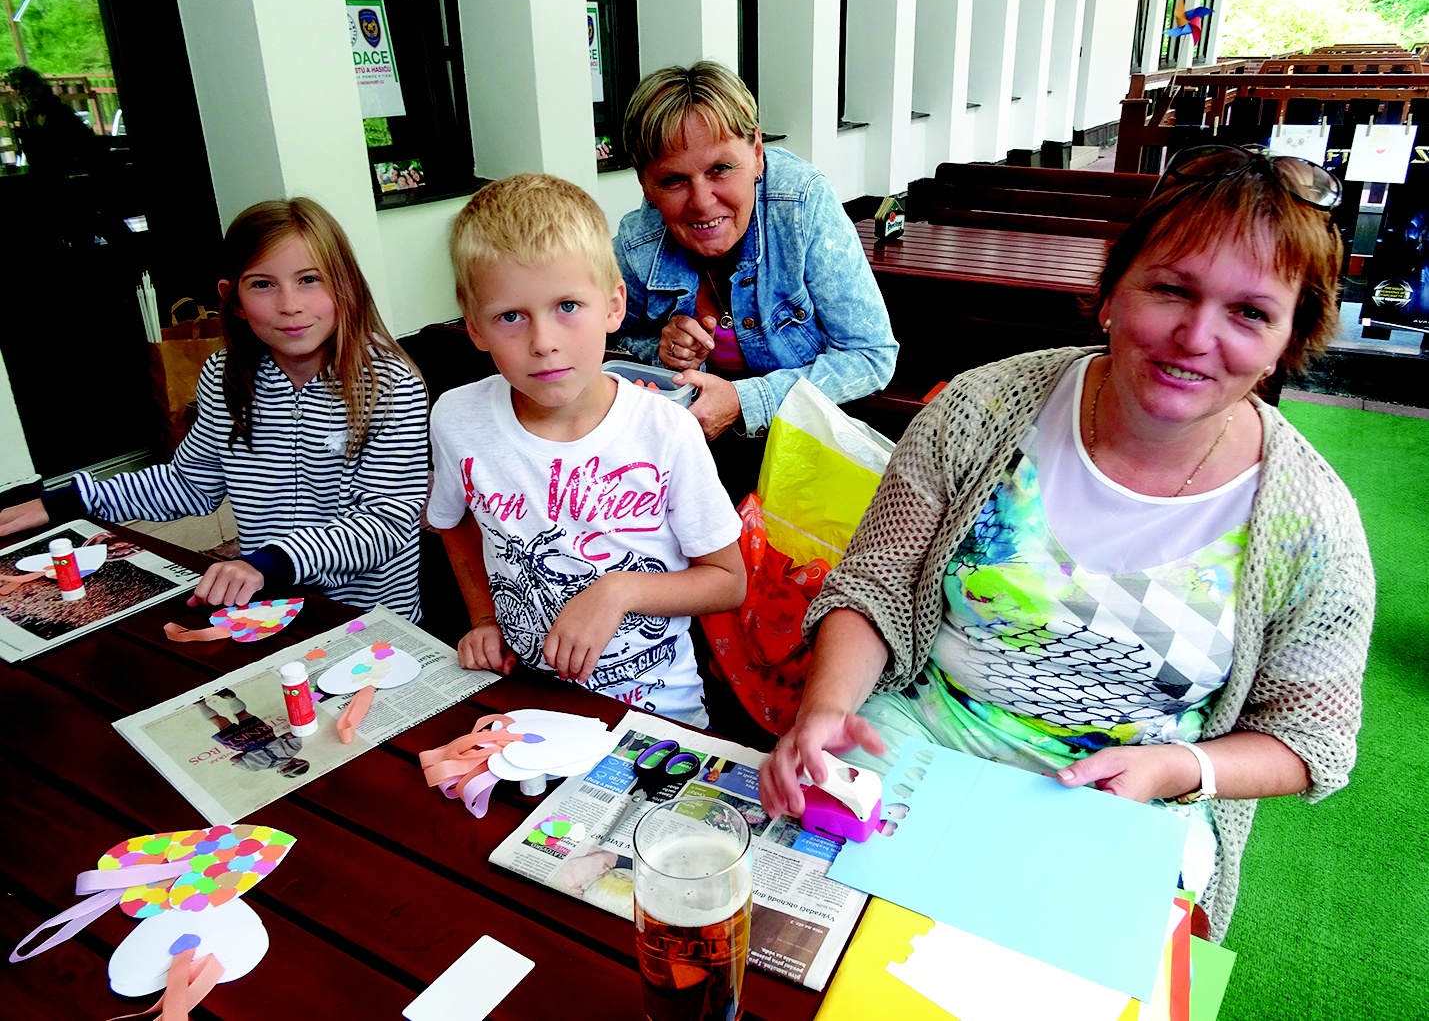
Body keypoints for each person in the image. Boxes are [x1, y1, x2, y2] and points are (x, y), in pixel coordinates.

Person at [758, 144, 1374, 941]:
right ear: (1111, 291)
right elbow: (876, 585)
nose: (1195, 336)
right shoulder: (982, 410)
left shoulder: (1311, 523)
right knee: (791, 945)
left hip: (1133, 800)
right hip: (919, 741)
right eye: (1171, 289)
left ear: (1288, 341)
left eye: (1250, 313)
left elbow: (1309, 737)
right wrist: (827, 709)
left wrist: (1178, 769)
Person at [0, 198, 428, 619]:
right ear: (234, 300)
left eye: (310, 279)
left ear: (347, 287)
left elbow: (384, 523)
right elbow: (190, 483)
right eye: (262, 285)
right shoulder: (225, 375)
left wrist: (268, 563)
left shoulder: (390, 385)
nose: (290, 305)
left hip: (367, 616)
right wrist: (66, 500)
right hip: (268, 607)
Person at [429, 173, 746, 727]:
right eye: (510, 316)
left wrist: (617, 591)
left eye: (568, 305)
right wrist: (483, 620)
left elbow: (728, 580)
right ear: (474, 325)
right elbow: (451, 521)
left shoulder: (666, 432)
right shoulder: (458, 419)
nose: (543, 342)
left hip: (656, 719)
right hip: (523, 705)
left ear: (614, 304)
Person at [614, 60, 898, 499]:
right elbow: (620, 340)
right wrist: (663, 352)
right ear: (645, 184)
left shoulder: (801, 205)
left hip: (812, 456)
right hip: (697, 465)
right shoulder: (636, 244)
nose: (702, 202)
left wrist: (745, 401)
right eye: (673, 180)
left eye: (720, 169)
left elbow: (871, 355)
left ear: (757, 153)